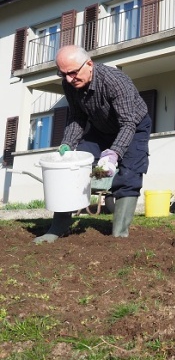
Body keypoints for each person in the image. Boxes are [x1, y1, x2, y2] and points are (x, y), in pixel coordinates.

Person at [34, 45, 151, 243]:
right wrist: (67, 145)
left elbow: (127, 123)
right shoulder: (70, 85)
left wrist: (114, 153)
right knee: (73, 167)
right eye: (63, 74)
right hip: (99, 127)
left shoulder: (115, 81)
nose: (69, 79)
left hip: (133, 126)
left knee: (129, 174)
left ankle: (119, 234)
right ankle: (58, 228)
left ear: (89, 64)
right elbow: (77, 117)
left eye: (73, 72)